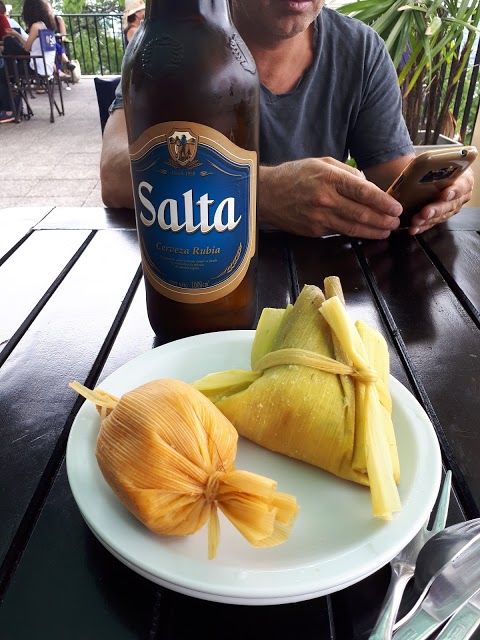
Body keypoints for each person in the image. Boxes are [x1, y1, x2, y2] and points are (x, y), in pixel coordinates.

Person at [100, 0, 474, 239]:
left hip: (318, 281)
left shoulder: (360, 49)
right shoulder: (174, 44)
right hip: (195, 269)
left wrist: (439, 187)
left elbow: (392, 179)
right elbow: (115, 175)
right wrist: (261, 193)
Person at [4, 0, 57, 78]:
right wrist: (17, 35)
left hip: (36, 68)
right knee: (10, 43)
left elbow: (27, 48)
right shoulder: (46, 27)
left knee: (8, 43)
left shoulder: (36, 26)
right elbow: (30, 47)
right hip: (47, 68)